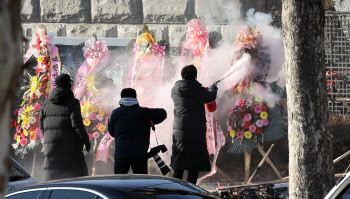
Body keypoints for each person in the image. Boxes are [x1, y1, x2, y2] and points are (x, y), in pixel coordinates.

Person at [171, 65, 218, 184]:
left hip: (179, 131)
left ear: (182, 75)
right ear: (195, 76)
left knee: (179, 162)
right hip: (196, 132)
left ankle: (175, 190)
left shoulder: (175, 90)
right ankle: (190, 191)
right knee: (194, 163)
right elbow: (210, 97)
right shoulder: (199, 90)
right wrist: (213, 87)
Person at [39, 74, 91, 181]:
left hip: (51, 146)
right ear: (68, 84)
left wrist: (49, 138)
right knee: (76, 178)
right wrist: (86, 141)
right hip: (70, 147)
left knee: (52, 176)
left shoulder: (46, 103)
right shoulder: (73, 102)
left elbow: (41, 124)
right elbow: (77, 124)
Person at [108, 88, 167, 174]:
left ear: (121, 98)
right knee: (141, 182)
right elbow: (163, 113)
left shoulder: (114, 113)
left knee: (119, 182)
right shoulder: (145, 112)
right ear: (135, 97)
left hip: (121, 153)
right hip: (139, 154)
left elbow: (112, 132)